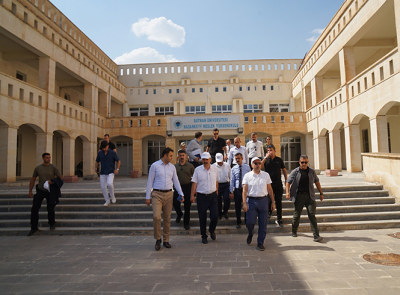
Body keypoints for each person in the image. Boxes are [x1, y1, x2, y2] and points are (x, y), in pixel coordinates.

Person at [146, 147, 184, 251]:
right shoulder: (155, 166)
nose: (172, 158)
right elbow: (150, 181)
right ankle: (158, 239)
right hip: (156, 194)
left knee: (167, 219)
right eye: (171, 155)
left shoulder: (172, 167)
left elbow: (176, 181)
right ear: (165, 155)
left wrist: (181, 193)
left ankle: (166, 240)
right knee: (156, 217)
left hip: (169, 194)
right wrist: (147, 196)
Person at [286, 155, 324, 242]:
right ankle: (294, 230)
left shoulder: (311, 171)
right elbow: (288, 182)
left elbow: (317, 182)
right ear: (299, 162)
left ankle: (316, 235)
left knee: (312, 215)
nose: (304, 164)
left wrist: (321, 193)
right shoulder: (295, 171)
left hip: (309, 196)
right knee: (297, 214)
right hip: (298, 196)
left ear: (308, 162)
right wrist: (287, 192)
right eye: (302, 162)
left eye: (305, 162)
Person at [242, 157, 275, 251]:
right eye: (255, 163)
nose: (257, 165)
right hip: (251, 201)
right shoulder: (247, 176)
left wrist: (273, 202)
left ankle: (260, 242)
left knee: (263, 223)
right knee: (250, 222)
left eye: (259, 163)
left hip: (263, 201)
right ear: (251, 165)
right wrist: (244, 203)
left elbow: (269, 189)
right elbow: (244, 190)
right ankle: (250, 233)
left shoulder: (266, 175)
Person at [28, 153, 63, 236]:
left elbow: (60, 178)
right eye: (47, 157)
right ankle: (34, 227)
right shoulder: (38, 168)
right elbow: (33, 179)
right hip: (40, 190)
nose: (48, 159)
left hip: (50, 191)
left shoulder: (53, 167)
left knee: (50, 208)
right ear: (43, 158)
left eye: (49, 157)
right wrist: (30, 190)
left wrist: (53, 181)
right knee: (34, 208)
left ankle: (52, 224)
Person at [191, 152, 219, 244]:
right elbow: (194, 183)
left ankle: (211, 230)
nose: (205, 161)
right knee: (202, 217)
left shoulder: (215, 169)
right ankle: (204, 236)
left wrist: (217, 191)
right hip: (201, 196)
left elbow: (217, 181)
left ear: (210, 159)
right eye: (203, 159)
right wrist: (192, 195)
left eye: (207, 159)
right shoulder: (198, 170)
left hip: (213, 196)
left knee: (215, 216)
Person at [263, 145, 287, 227]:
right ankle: (269, 213)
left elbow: (284, 170)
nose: (270, 151)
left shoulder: (279, 160)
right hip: (268, 184)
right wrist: (265, 158)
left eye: (271, 150)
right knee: (269, 200)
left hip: (278, 184)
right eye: (268, 150)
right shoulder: (266, 160)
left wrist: (286, 180)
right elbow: (260, 166)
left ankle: (279, 218)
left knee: (278, 201)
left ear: (274, 151)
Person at [173, 150, 194, 230]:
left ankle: (186, 223)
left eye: (183, 155)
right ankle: (179, 214)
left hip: (187, 188)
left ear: (186, 156)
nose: (181, 157)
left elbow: (195, 177)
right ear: (178, 156)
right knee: (175, 203)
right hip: (178, 188)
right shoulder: (175, 166)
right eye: (180, 155)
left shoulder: (190, 166)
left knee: (187, 207)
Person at [95, 141, 121, 206]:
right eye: (103, 148)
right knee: (103, 187)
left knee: (109, 184)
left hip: (111, 172)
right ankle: (107, 200)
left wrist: (117, 169)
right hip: (103, 172)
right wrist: (96, 167)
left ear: (108, 146)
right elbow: (97, 161)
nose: (104, 149)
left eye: (105, 148)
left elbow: (118, 161)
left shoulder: (112, 153)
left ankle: (112, 196)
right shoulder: (100, 153)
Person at [229, 153, 251, 228]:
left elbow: (250, 179)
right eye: (236, 159)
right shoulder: (233, 169)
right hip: (237, 190)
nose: (237, 160)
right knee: (237, 206)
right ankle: (238, 222)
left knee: (246, 205)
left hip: (245, 190)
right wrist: (231, 191)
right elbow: (232, 180)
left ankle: (246, 221)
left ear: (242, 158)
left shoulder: (247, 167)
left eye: (238, 158)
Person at [212, 153, 231, 221]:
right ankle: (219, 213)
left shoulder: (227, 165)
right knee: (218, 200)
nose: (219, 163)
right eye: (218, 162)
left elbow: (230, 175)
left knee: (226, 199)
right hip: (217, 185)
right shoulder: (213, 166)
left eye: (221, 161)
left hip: (226, 184)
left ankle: (225, 212)